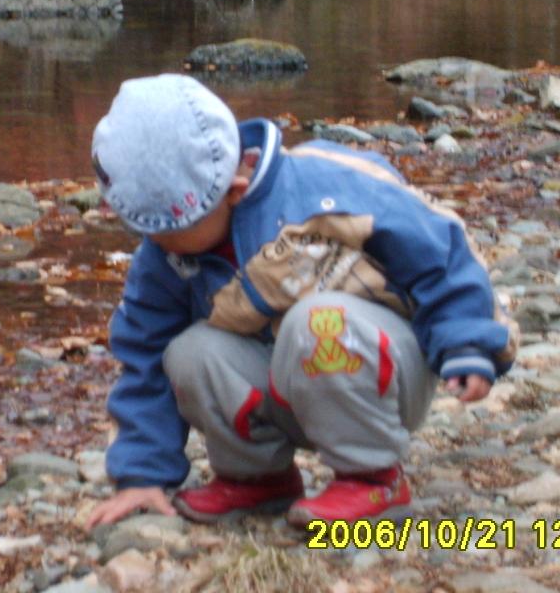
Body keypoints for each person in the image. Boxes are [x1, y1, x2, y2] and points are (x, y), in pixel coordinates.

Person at [84, 74, 517, 528]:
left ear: (234, 189)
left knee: (317, 321)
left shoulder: (324, 186)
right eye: (143, 231)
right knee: (189, 352)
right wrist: (140, 474)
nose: (155, 243)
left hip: (378, 373)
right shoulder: (165, 257)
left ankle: (374, 477)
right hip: (284, 385)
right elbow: (145, 361)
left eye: (167, 230)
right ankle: (257, 476)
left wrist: (467, 343)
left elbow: (440, 252)